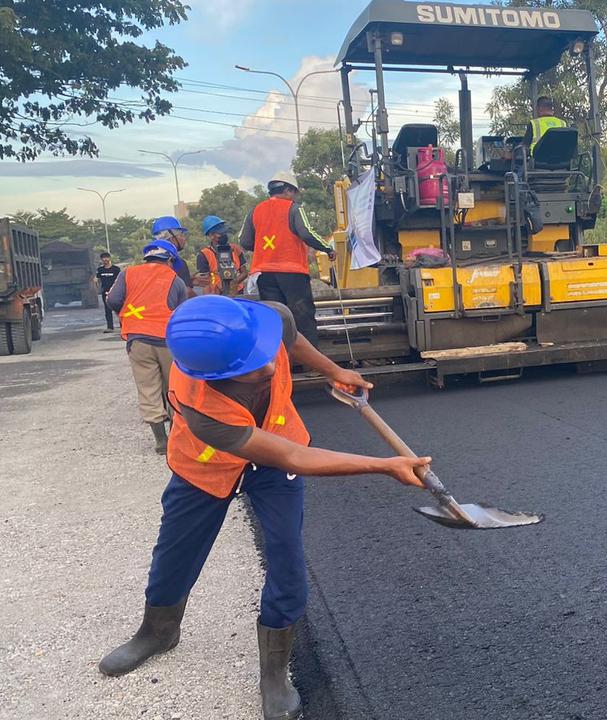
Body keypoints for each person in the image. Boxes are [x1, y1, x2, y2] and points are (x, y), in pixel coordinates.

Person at [96, 294, 431, 720]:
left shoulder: (266, 320)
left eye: (263, 354)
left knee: (286, 557)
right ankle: (157, 631)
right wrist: (384, 466)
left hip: (278, 442)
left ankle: (274, 673)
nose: (270, 367)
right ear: (216, 377)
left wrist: (334, 370)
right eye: (253, 367)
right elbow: (293, 458)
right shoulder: (204, 410)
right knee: (175, 551)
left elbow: (290, 339)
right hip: (207, 463)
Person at [106, 241, 190, 453]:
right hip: (168, 341)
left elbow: (113, 300)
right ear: (169, 259)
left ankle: (160, 441)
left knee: (147, 388)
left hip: (138, 340)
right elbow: (182, 312)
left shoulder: (128, 273)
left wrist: (129, 314)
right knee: (175, 387)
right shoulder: (175, 280)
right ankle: (176, 437)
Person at [240, 172, 335, 346]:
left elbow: (244, 241)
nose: (295, 197)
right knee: (302, 316)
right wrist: (327, 248)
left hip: (264, 274)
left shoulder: (255, 211)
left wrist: (265, 248)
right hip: (293, 273)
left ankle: (285, 365)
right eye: (294, 193)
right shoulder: (294, 209)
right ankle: (311, 366)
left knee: (276, 319)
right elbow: (306, 233)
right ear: (288, 190)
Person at [195, 215, 248, 296]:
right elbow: (204, 280)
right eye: (220, 233)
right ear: (211, 235)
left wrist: (235, 282)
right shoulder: (204, 255)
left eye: (224, 232)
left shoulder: (235, 249)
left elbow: (244, 272)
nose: (224, 235)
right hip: (216, 295)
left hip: (237, 293)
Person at [151, 216, 195, 294]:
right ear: (172, 238)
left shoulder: (150, 260)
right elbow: (187, 293)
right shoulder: (177, 262)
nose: (184, 239)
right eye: (181, 235)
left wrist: (191, 278)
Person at [95, 252, 121, 333]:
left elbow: (121, 280)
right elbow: (96, 279)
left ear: (109, 258)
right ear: (101, 260)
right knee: (107, 309)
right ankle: (110, 327)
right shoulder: (100, 270)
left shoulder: (116, 269)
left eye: (106, 257)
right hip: (105, 292)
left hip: (116, 292)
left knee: (119, 309)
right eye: (103, 258)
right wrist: (95, 281)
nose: (105, 259)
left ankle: (123, 326)